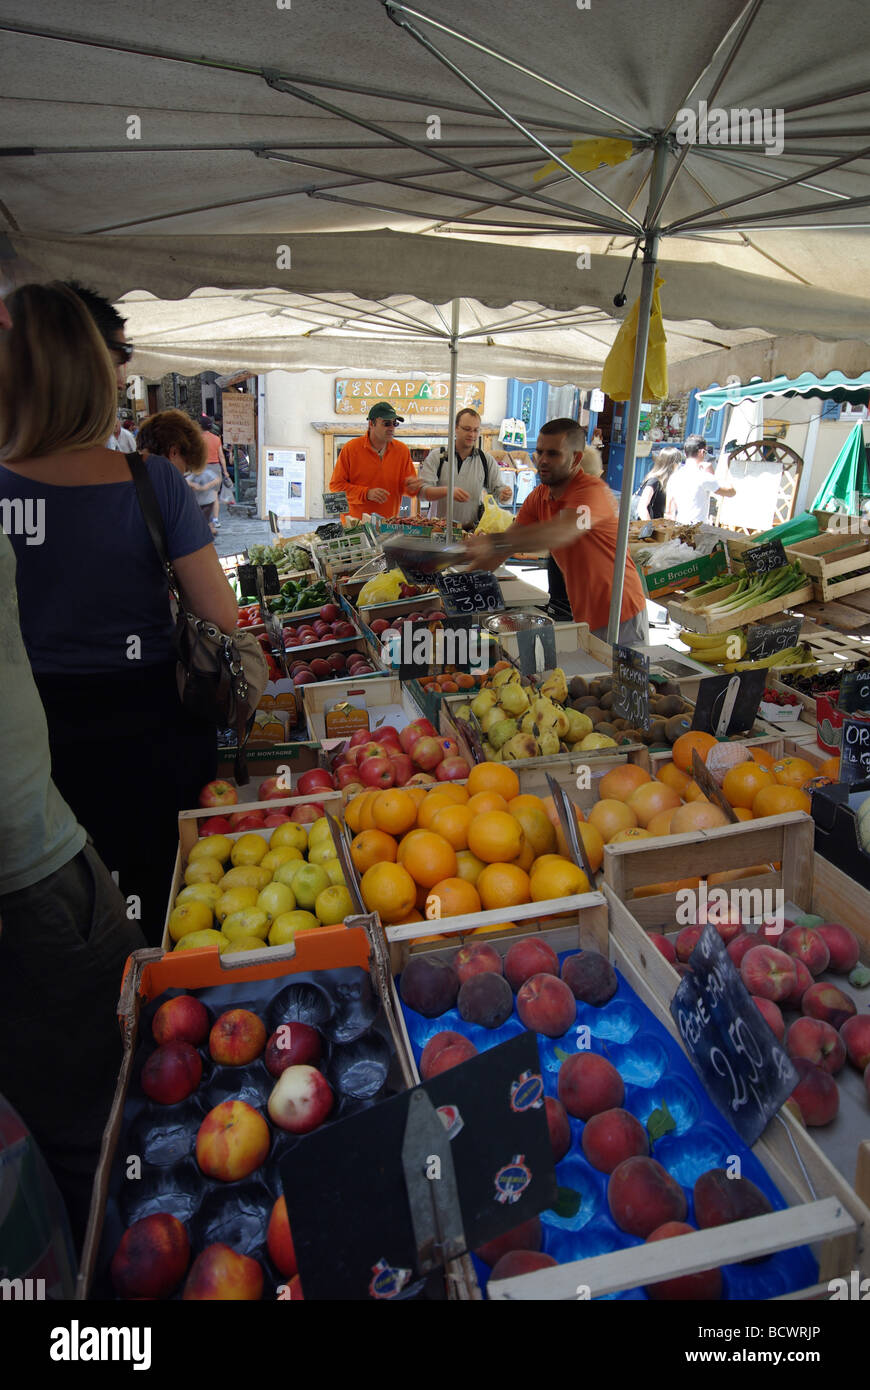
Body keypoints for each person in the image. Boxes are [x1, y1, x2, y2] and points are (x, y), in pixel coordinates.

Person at [0, 282, 237, 943]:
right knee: (167, 904)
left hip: (37, 746)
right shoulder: (151, 481)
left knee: (71, 919)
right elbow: (222, 614)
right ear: (91, 375)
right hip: (149, 728)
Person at [0, 280, 146, 1259]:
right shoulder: (147, 487)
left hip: (55, 800)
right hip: (58, 834)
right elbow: (224, 625)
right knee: (94, 1114)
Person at [465, 417, 649, 646]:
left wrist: (494, 542)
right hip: (585, 616)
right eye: (539, 452)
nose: (542, 460)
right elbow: (506, 546)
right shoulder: (539, 496)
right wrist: (458, 586)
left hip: (622, 615)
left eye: (553, 454)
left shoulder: (592, 493)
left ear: (576, 459)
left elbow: (561, 532)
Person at [417, 408, 512, 529]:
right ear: (455, 428)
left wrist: (505, 494)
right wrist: (448, 491)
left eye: (476, 430)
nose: (472, 434)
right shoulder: (438, 457)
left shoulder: (485, 460)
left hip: (471, 531)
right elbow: (422, 493)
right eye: (467, 429)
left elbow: (498, 490)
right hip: (439, 530)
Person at [329, 401, 423, 520]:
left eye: (395, 423)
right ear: (371, 424)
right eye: (386, 423)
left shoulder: (402, 451)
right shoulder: (350, 449)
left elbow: (407, 489)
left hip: (388, 526)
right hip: (355, 527)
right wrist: (366, 494)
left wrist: (413, 487)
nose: (391, 428)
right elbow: (336, 487)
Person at [666, 434, 736, 523]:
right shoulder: (703, 476)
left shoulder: (674, 477)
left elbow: (669, 511)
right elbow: (731, 492)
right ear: (702, 452)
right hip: (697, 529)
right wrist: (712, 474)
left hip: (678, 528)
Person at [136, 408, 208, 477]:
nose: (182, 475)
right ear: (174, 452)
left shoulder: (132, 473)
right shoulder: (163, 486)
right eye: (186, 470)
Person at [198, 416, 232, 528]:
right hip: (215, 467)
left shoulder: (197, 439)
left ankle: (203, 519)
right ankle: (216, 519)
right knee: (214, 495)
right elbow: (221, 456)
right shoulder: (216, 439)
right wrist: (225, 471)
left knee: (201, 495)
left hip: (202, 467)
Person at [635, 447, 682, 520]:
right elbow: (642, 507)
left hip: (657, 525)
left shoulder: (665, 482)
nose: (679, 465)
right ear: (672, 464)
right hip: (648, 527)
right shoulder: (654, 481)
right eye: (678, 461)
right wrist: (650, 528)